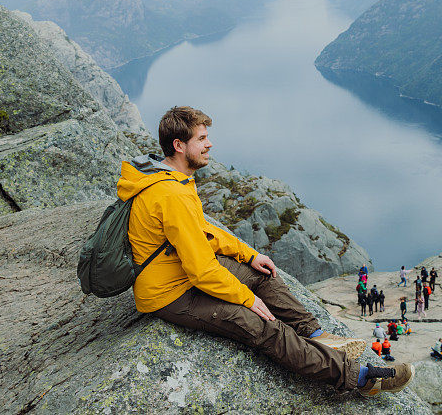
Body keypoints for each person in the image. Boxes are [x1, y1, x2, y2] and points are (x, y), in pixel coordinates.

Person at [125, 107, 411, 397]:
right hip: (171, 293)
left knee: (263, 274)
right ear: (179, 145)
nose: (209, 144)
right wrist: (247, 300)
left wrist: (249, 255)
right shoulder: (170, 194)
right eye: (201, 138)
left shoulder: (173, 178)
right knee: (262, 325)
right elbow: (201, 271)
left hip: (181, 270)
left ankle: (317, 336)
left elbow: (203, 232)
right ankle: (360, 378)